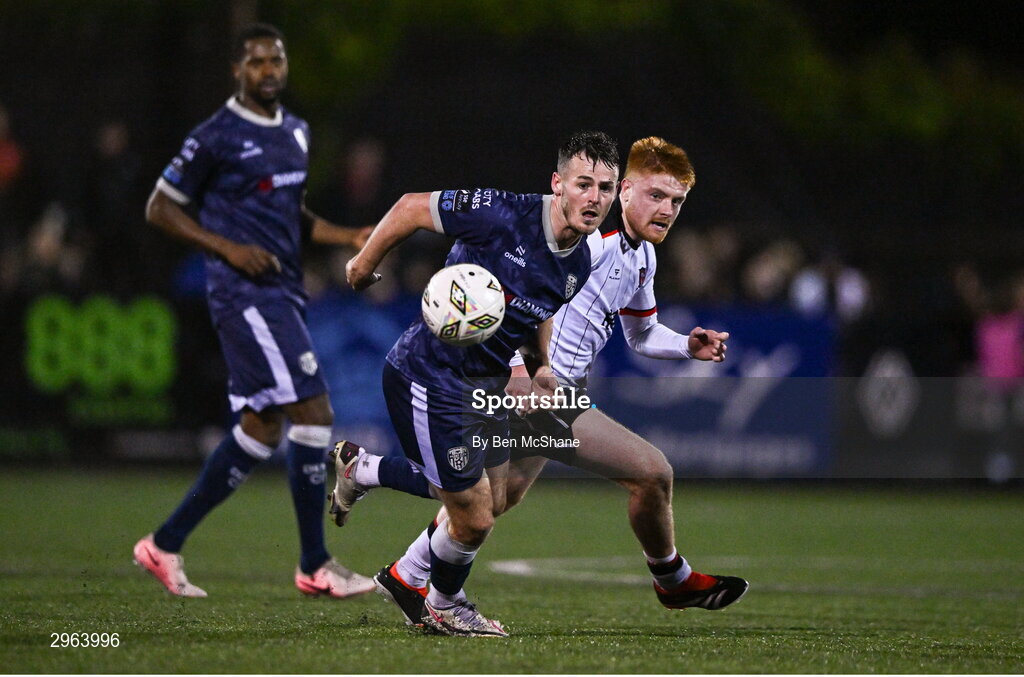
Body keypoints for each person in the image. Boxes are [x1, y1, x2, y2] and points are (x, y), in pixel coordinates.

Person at [334, 137, 748, 627]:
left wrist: (685, 346)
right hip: (524, 388)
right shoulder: (588, 242)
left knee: (491, 496)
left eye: (676, 201)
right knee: (649, 472)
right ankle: (672, 580)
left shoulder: (639, 258)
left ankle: (385, 517)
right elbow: (510, 299)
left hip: (548, 384)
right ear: (627, 193)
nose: (667, 210)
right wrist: (522, 373)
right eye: (656, 196)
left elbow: (637, 332)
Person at [340, 131, 621, 636]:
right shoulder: (500, 213)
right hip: (430, 377)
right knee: (471, 515)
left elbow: (539, 310)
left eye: (605, 188)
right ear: (558, 184)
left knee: (485, 497)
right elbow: (409, 207)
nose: (594, 198)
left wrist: (540, 366)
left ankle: (362, 471)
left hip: (482, 386)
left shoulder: (578, 261)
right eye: (584, 184)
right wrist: (364, 264)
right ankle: (444, 604)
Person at [132, 23, 373, 600]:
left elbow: (295, 215)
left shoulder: (295, 131)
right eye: (258, 62)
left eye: (277, 60)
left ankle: (163, 544)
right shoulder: (216, 135)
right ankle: (316, 563)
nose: (270, 70)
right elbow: (159, 207)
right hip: (245, 294)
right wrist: (226, 247)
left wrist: (351, 235)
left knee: (261, 429)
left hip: (283, 290)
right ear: (237, 70)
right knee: (313, 412)